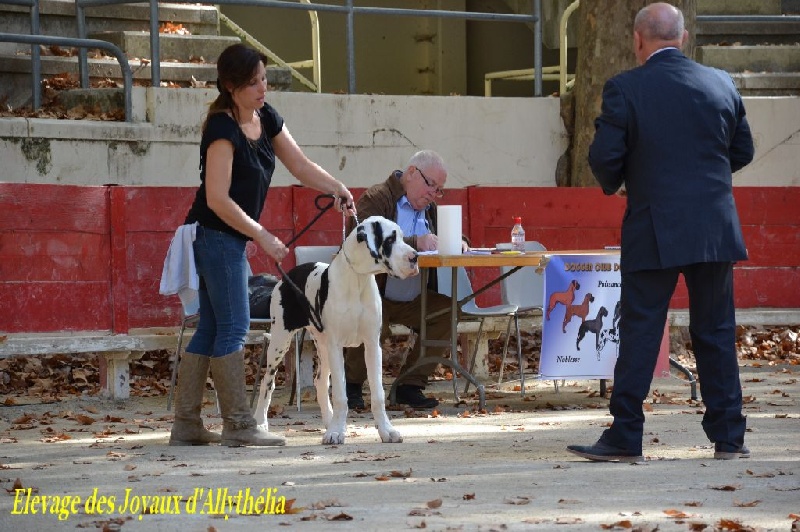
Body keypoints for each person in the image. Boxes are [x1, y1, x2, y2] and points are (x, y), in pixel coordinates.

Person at [567, 2, 754, 462]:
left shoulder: (626, 88)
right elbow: (743, 150)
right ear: (683, 38)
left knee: (641, 331)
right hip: (713, 225)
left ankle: (626, 435)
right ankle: (729, 437)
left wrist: (626, 180)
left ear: (637, 40)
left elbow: (604, 158)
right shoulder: (722, 83)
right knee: (716, 330)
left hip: (653, 224)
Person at [169, 44, 356, 447]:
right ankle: (239, 425)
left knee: (214, 326)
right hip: (214, 235)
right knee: (234, 327)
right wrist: (263, 235)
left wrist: (336, 187)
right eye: (253, 82)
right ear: (230, 86)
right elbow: (217, 198)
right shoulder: (221, 128)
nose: (262, 88)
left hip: (227, 238)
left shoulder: (265, 117)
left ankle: (185, 425)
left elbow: (300, 164)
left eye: (264, 80)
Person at [344, 150, 466, 410]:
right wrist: (414, 243)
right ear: (411, 173)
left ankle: (409, 385)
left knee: (448, 311)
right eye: (431, 185)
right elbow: (362, 239)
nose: (433, 194)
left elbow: (447, 236)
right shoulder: (377, 198)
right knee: (372, 319)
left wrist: (459, 242)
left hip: (413, 296)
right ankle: (350, 385)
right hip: (372, 292)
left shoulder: (430, 209)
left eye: (439, 190)